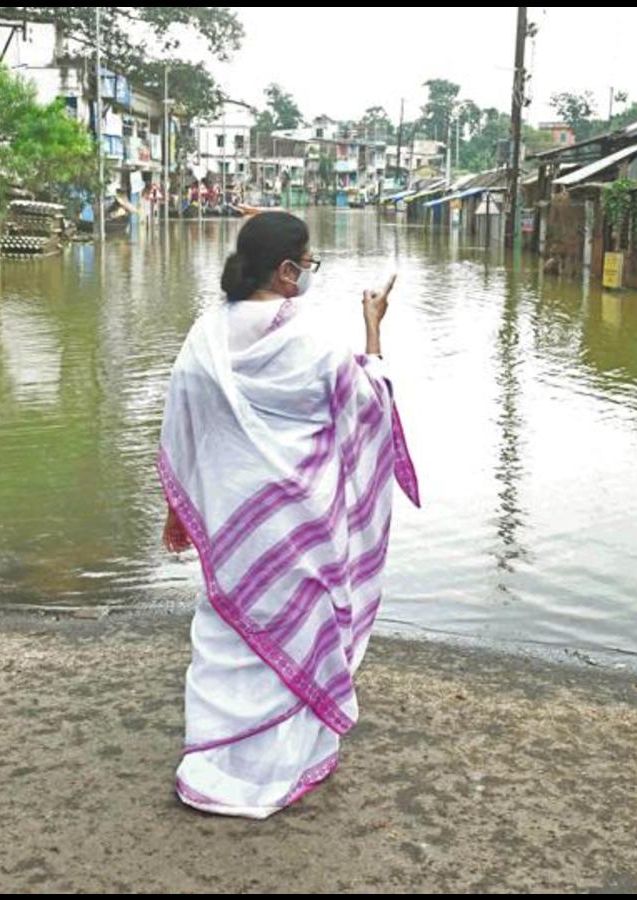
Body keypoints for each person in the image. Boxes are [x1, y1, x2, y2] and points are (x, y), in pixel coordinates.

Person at [157, 212, 419, 818]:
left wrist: (182, 505)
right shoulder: (311, 341)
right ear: (285, 270)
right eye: (308, 261)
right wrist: (372, 330)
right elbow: (369, 404)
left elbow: (183, 425)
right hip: (301, 526)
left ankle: (217, 770)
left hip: (236, 524)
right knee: (297, 632)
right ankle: (278, 767)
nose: (309, 271)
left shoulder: (205, 335)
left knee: (231, 633)